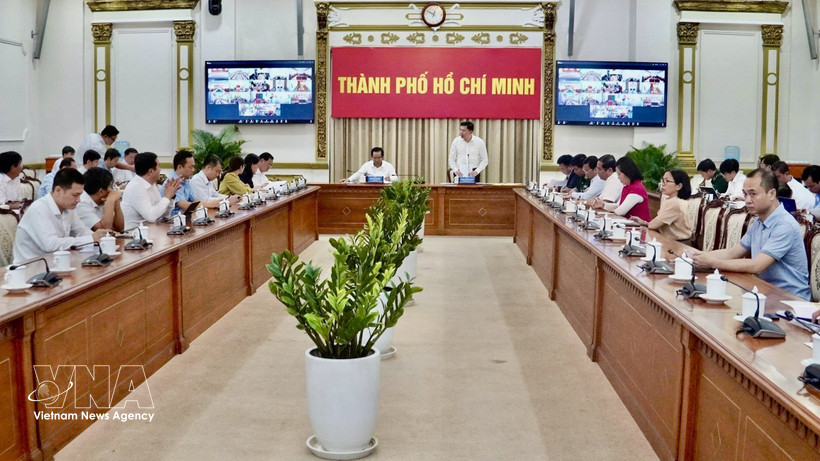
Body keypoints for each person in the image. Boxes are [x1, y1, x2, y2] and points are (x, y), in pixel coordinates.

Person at [691, 169, 810, 300]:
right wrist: (698, 257)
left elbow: (757, 266)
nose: (747, 200)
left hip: (790, 300)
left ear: (771, 194)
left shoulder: (784, 225)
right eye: (745, 194)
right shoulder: (759, 221)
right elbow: (733, 252)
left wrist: (713, 263)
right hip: (765, 291)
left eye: (753, 194)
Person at [12, 168, 111, 263]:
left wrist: (100, 237)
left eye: (80, 195)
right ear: (58, 190)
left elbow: (80, 230)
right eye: (75, 195)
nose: (79, 200)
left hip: (56, 263)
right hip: (29, 269)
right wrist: (91, 239)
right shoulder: (38, 209)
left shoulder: (68, 207)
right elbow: (50, 245)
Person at [121, 152, 182, 230]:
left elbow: (164, 215)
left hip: (150, 230)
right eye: (159, 166)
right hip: (134, 234)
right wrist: (167, 197)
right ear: (151, 171)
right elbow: (151, 217)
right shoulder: (135, 187)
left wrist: (171, 196)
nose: (160, 170)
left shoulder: (151, 184)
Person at [631, 169, 692, 241]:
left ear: (678, 186)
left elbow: (653, 225)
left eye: (667, 181)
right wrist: (644, 222)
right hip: (672, 241)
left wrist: (645, 223)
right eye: (663, 180)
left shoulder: (675, 203)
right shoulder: (672, 200)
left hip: (678, 244)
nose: (663, 184)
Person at [162, 149, 222, 214]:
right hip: (171, 221)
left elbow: (196, 201)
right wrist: (212, 204)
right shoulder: (172, 181)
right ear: (179, 167)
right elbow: (185, 206)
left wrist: (215, 203)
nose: (193, 170)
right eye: (191, 167)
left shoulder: (186, 181)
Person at [591, 156, 650, 222]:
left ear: (627, 172)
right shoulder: (627, 186)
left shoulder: (637, 189)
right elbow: (618, 205)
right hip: (627, 223)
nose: (618, 178)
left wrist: (614, 209)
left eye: (619, 174)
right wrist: (603, 205)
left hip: (639, 227)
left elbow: (621, 211)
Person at [76, 167, 125, 232]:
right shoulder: (81, 203)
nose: (113, 190)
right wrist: (110, 200)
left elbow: (120, 228)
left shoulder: (100, 200)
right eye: (111, 187)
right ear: (101, 191)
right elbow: (105, 231)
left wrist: (117, 204)